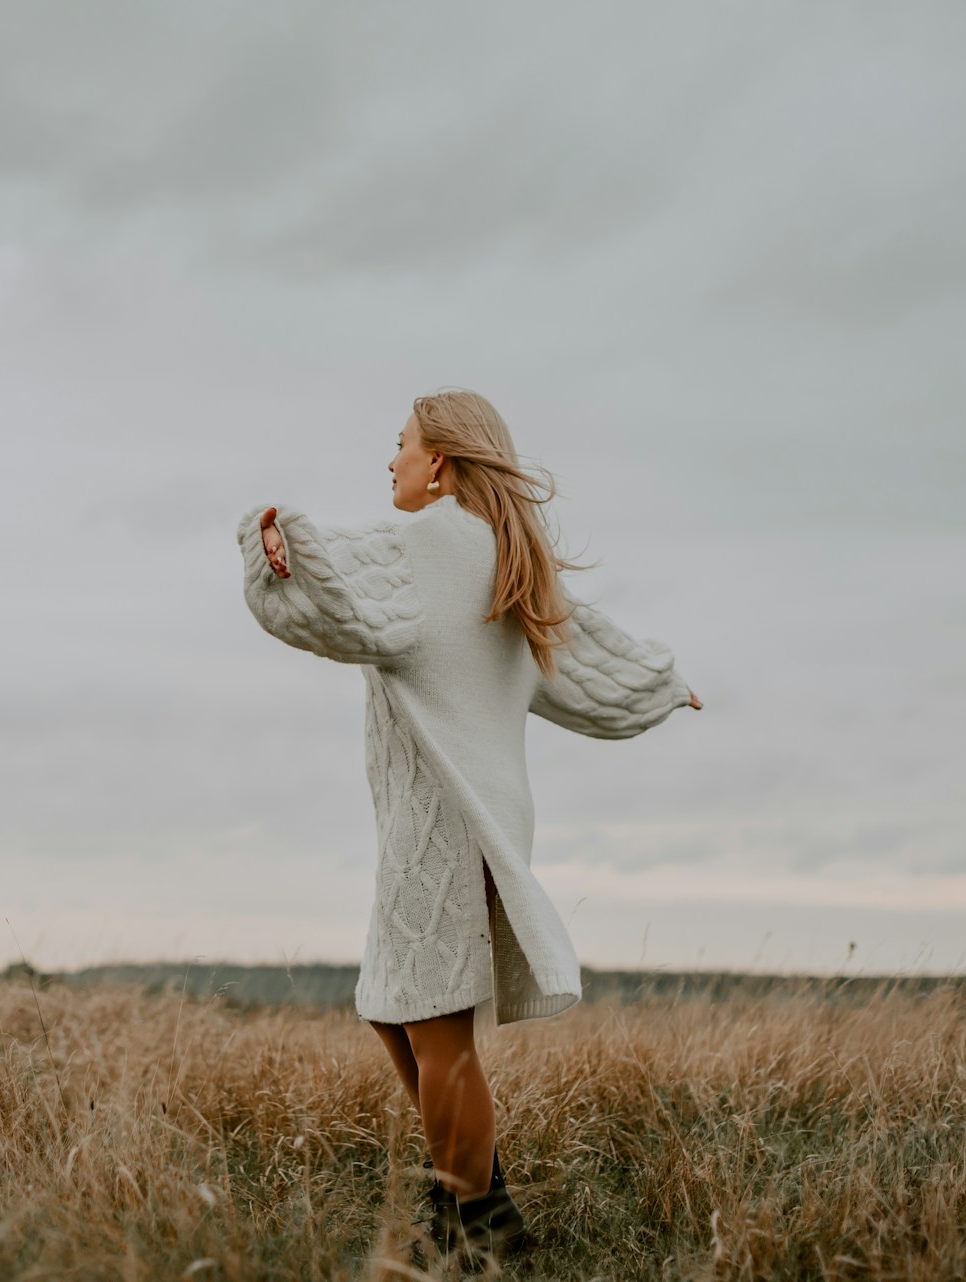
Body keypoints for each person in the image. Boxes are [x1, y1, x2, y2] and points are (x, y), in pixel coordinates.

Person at [234, 388, 701, 1266]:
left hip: (443, 819)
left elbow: (325, 602)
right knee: (398, 1017)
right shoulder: (504, 556)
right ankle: (483, 1206)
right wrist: (663, 687)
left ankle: (474, 1235)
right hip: (467, 816)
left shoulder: (429, 547)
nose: (392, 461)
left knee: (437, 1037)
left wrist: (272, 544)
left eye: (402, 444)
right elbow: (585, 659)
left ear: (440, 462)